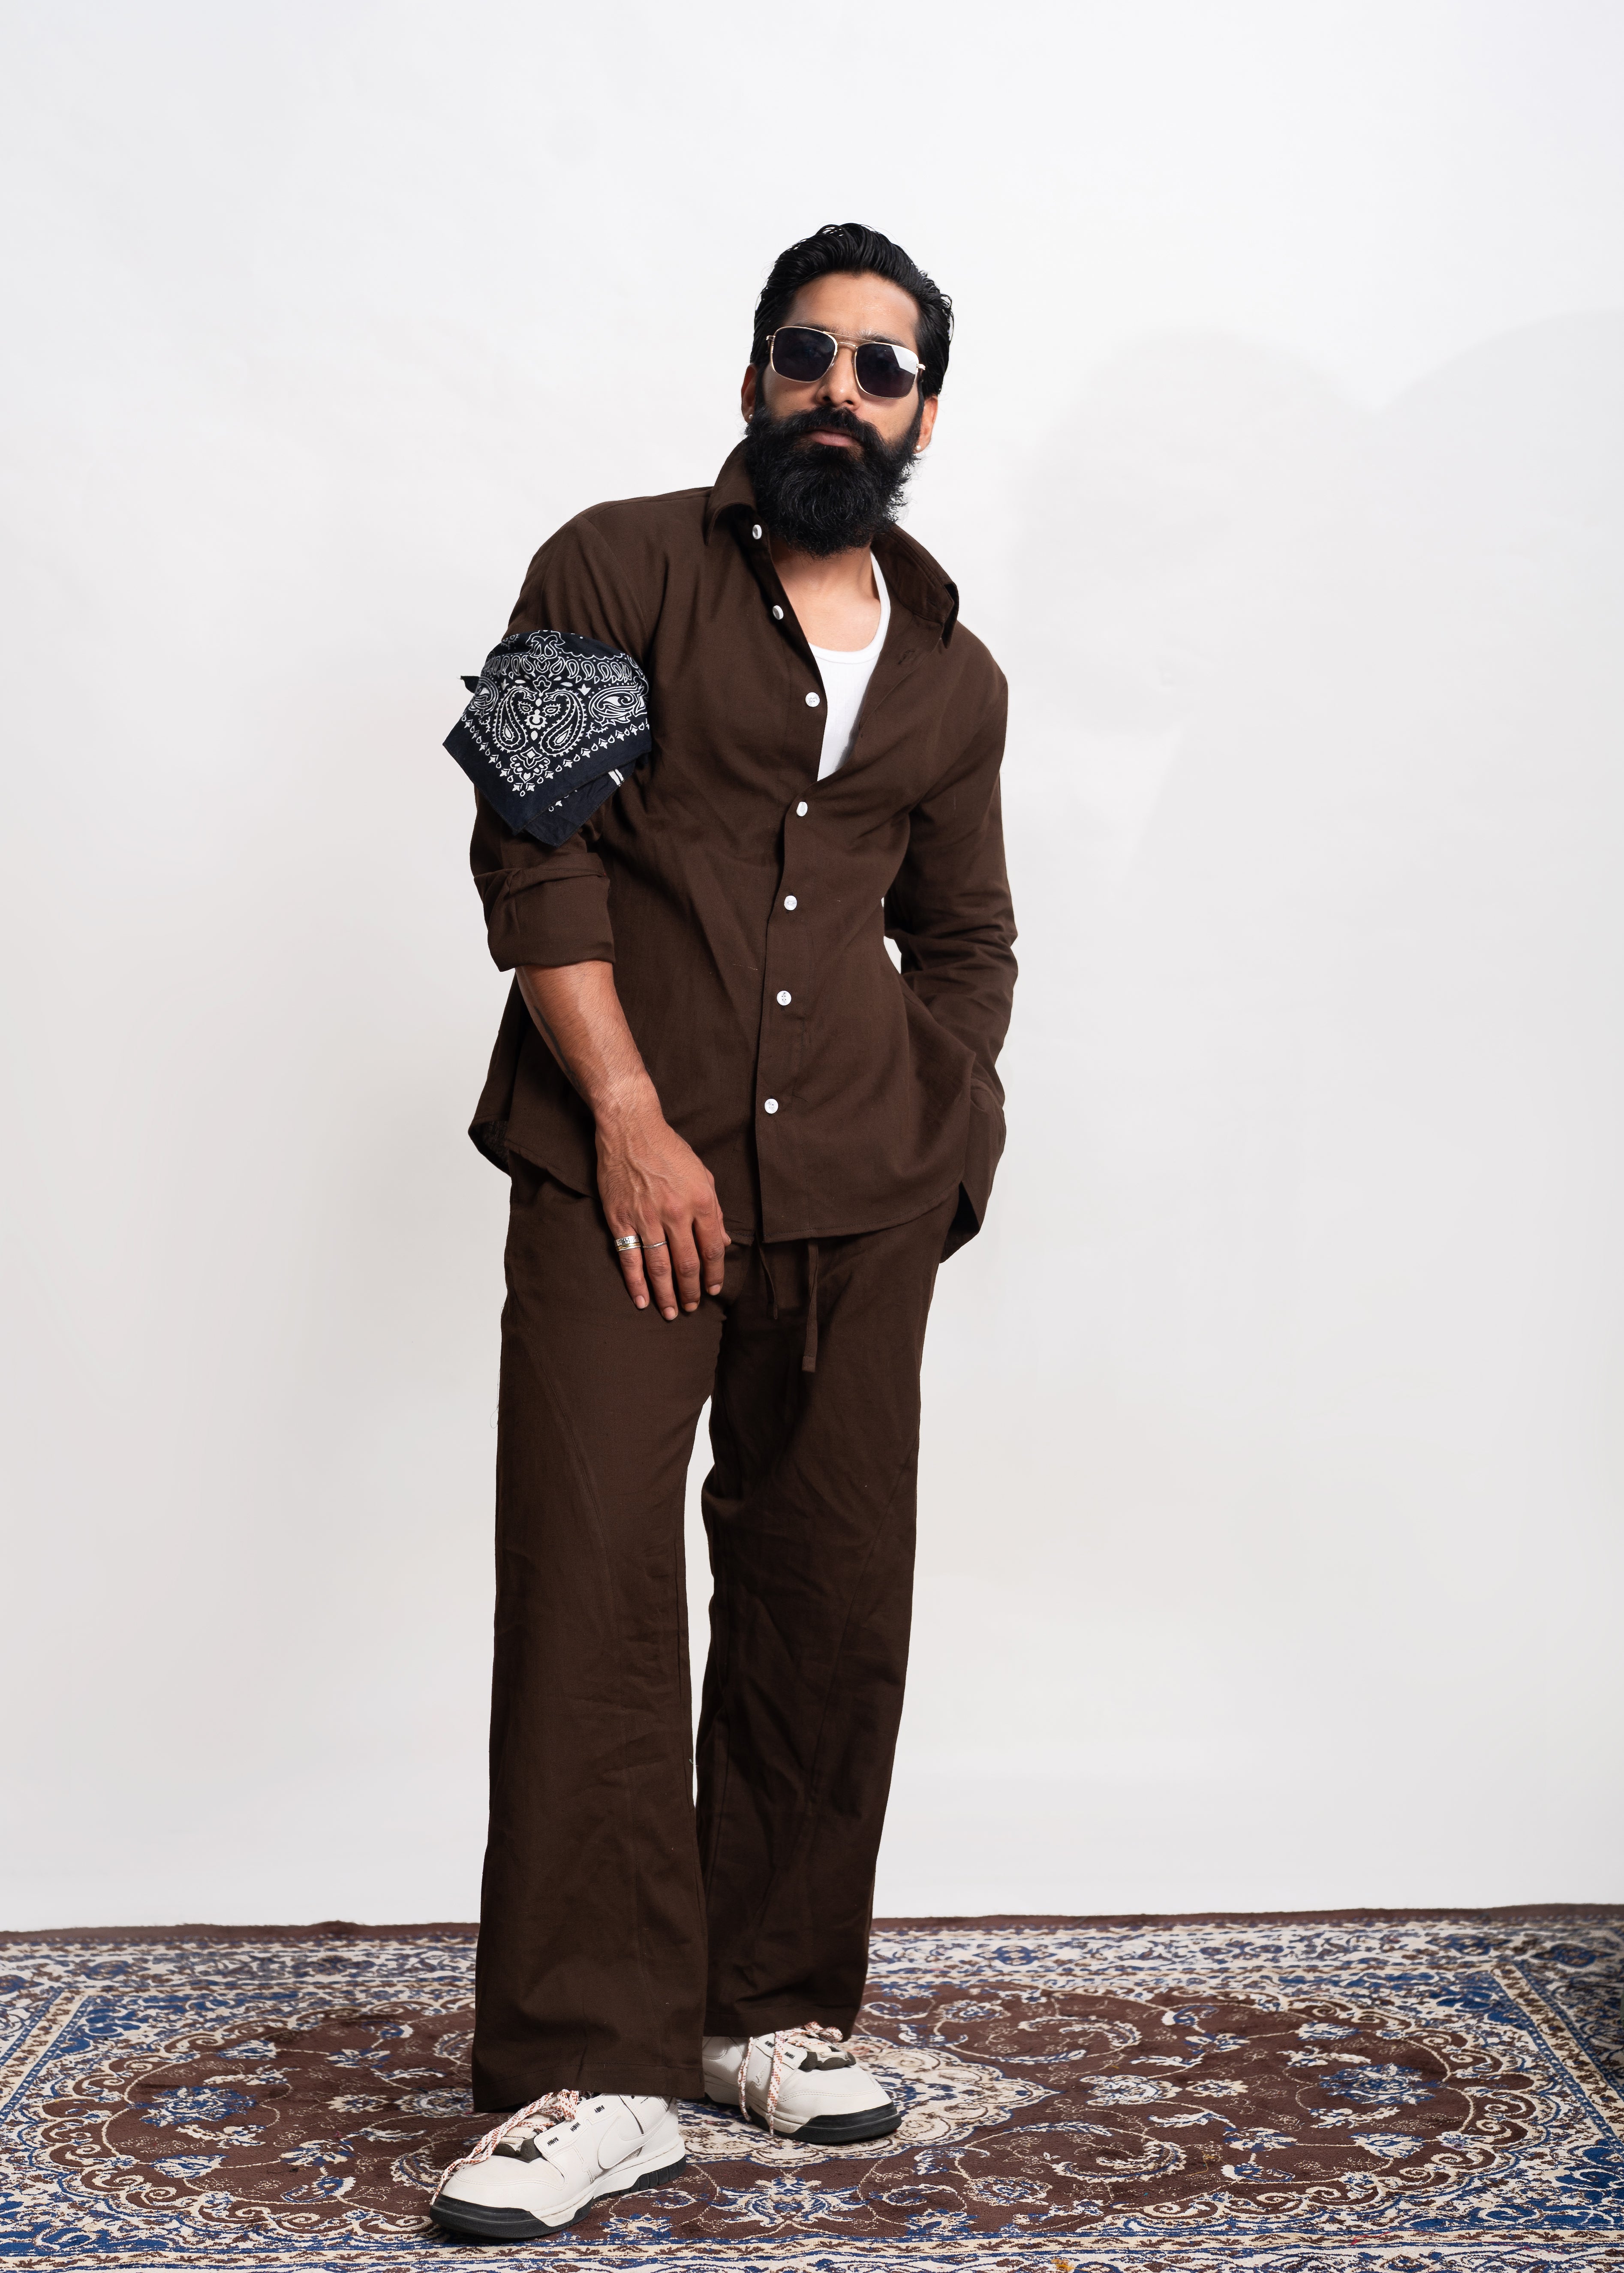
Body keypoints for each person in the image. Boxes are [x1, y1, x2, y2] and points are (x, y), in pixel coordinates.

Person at [429, 221, 1017, 2243]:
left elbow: (964, 933)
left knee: (826, 1589)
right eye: (805, 352)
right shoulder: (608, 569)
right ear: (756, 373)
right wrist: (626, 1120)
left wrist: (941, 1131)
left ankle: (762, 2008)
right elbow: (534, 852)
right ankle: (587, 2071)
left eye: (881, 368)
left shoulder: (952, 673)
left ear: (922, 412)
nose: (837, 393)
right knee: (590, 1582)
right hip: (620, 1173)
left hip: (859, 1190)